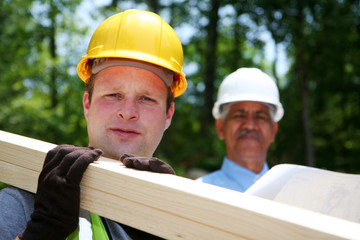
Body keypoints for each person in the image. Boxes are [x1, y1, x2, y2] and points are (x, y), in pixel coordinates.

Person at [0, 9, 187, 240]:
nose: (128, 113)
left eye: (146, 98)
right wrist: (43, 232)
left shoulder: (189, 222)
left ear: (168, 114)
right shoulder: (24, 206)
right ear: (87, 104)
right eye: (113, 94)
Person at [197, 68, 284, 192]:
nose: (249, 125)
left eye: (260, 117)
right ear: (221, 127)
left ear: (273, 130)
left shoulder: (293, 196)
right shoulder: (199, 194)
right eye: (239, 115)